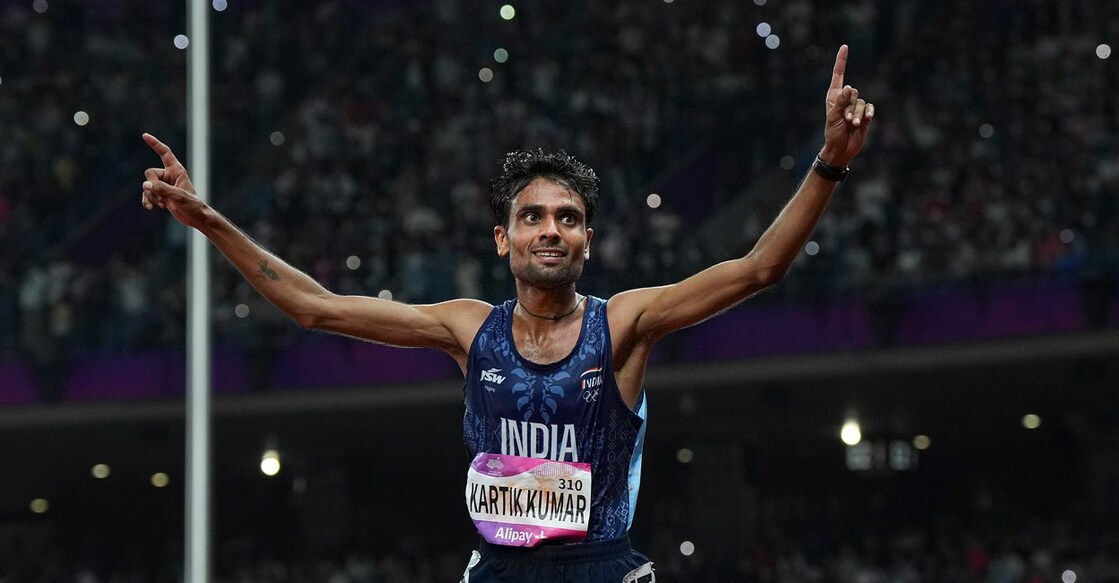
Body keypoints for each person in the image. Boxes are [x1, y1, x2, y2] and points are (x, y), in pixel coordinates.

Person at [141, 44, 874, 583]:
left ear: (589, 237)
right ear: (503, 238)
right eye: (531, 217)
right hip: (497, 569)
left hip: (600, 568)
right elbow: (317, 309)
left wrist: (829, 162)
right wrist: (208, 220)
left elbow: (758, 269)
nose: (549, 229)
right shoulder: (469, 328)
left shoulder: (621, 324)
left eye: (567, 217)